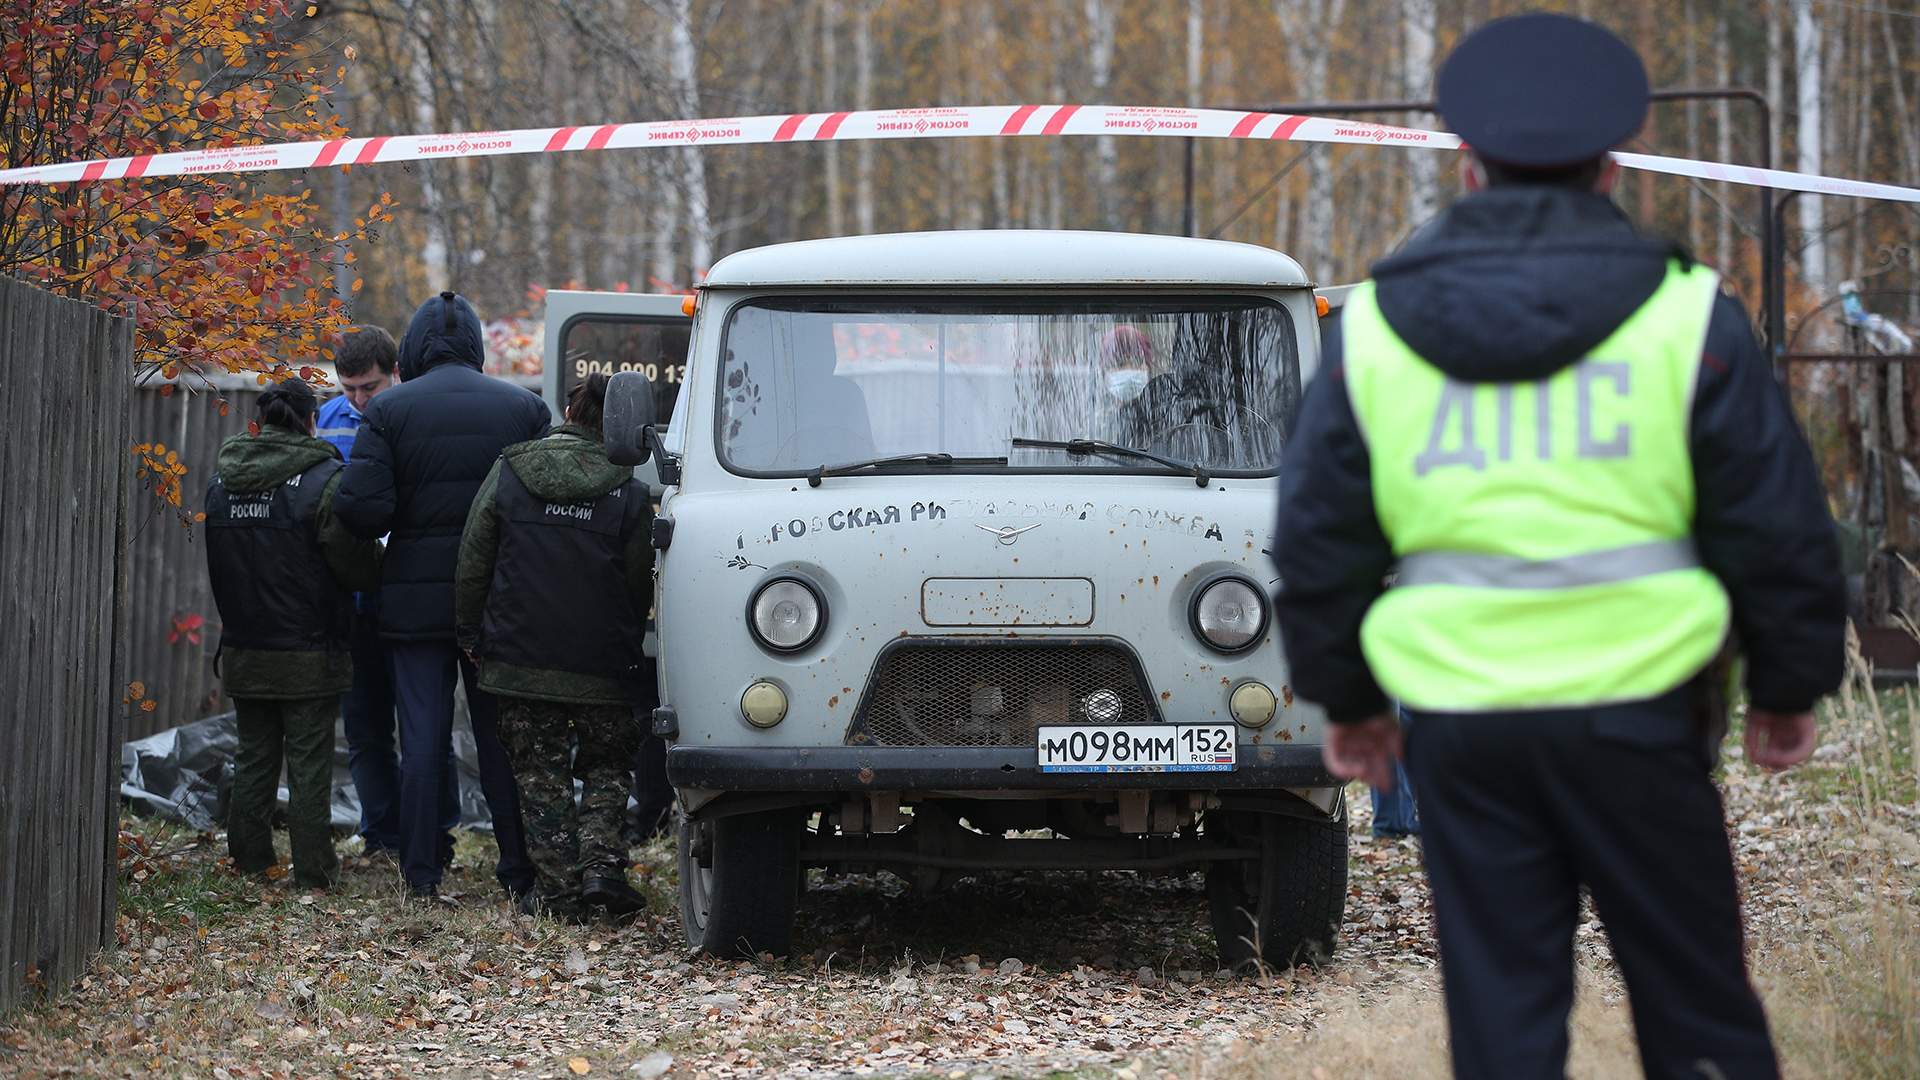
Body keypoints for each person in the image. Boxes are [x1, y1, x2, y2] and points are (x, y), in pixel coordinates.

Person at [1272, 14, 1845, 1079]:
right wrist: (1789, 683)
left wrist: (1345, 700)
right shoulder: (1686, 316)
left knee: (1503, 1014)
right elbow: (1773, 516)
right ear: (1614, 164)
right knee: (1696, 995)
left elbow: (1316, 532)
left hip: (1462, 725)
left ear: (1469, 165)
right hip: (1644, 711)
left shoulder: (1383, 325)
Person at [333, 290, 550, 901]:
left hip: (413, 605)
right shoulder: (523, 408)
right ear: (476, 344)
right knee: (499, 739)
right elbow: (538, 509)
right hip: (496, 605)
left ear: (413, 348)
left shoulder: (390, 411)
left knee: (421, 741)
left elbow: (361, 506)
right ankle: (518, 873)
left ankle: (422, 875)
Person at [455, 373, 653, 919]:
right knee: (609, 763)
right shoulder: (630, 492)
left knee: (540, 775)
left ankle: (561, 895)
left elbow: (474, 562)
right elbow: (640, 583)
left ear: (567, 411)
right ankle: (600, 869)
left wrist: (471, 634)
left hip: (519, 658)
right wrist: (629, 643)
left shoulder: (511, 472)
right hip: (601, 662)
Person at [204, 378, 381, 888]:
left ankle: (250, 862)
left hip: (243, 645)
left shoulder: (223, 482)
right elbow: (358, 567)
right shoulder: (325, 480)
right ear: (310, 422)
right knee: (308, 764)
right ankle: (314, 871)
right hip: (310, 650)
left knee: (254, 756)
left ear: (260, 423)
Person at [316, 325, 462, 862]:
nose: (357, 400)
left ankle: (436, 827)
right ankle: (380, 830)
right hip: (351, 599)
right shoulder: (327, 422)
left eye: (368, 387)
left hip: (406, 590)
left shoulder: (411, 415)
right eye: (348, 388)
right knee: (363, 722)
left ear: (395, 373)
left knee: (424, 724)